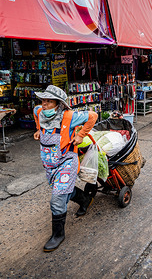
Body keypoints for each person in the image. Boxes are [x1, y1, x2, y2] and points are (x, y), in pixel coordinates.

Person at [33, 85, 98, 252]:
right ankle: (85, 199)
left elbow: (93, 115)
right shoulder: (39, 111)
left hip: (66, 161)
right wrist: (38, 130)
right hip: (49, 164)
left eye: (49, 100)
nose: (44, 103)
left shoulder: (69, 116)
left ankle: (58, 235)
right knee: (62, 189)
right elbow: (36, 114)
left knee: (57, 198)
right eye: (43, 100)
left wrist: (81, 134)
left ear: (59, 103)